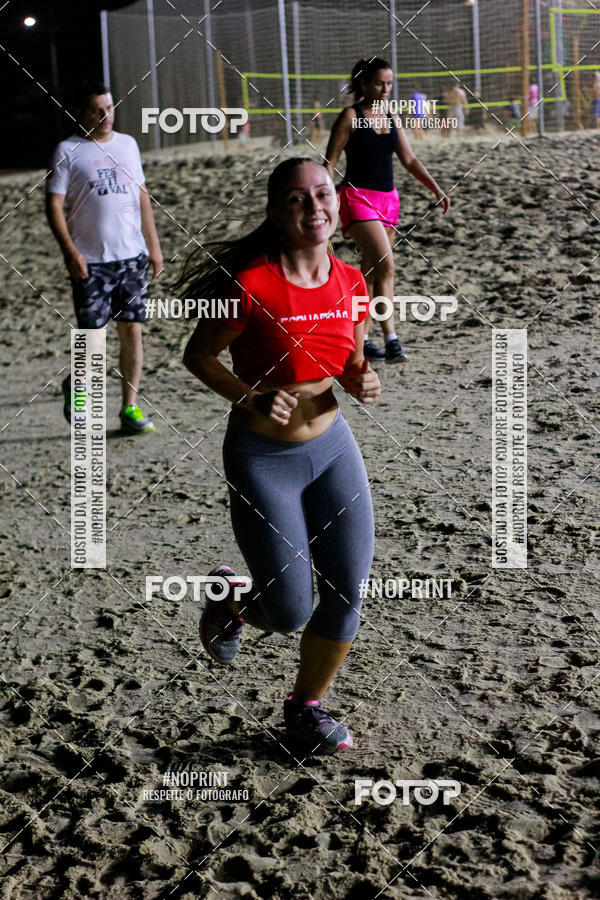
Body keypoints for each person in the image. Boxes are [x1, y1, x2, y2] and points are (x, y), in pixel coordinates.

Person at [180, 157, 381, 754]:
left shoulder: (353, 282)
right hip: (263, 459)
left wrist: (361, 380)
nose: (313, 206)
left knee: (347, 593)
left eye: (322, 194)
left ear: (337, 204)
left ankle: (304, 710)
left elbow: (350, 361)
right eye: (297, 198)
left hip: (333, 448)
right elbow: (198, 356)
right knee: (289, 611)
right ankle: (231, 601)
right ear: (275, 211)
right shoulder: (251, 285)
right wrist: (252, 395)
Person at [46, 80, 162, 433]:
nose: (105, 116)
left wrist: (153, 246)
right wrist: (70, 251)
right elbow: (54, 205)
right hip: (90, 262)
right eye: (96, 111)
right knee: (92, 338)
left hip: (131, 258)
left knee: (132, 332)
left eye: (109, 108)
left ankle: (130, 408)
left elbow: (141, 197)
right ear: (81, 113)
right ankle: (76, 390)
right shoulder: (68, 150)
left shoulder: (128, 145)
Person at [324, 58, 450, 362]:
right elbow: (330, 163)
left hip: (388, 199)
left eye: (389, 83)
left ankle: (363, 339)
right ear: (364, 84)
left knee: (371, 271)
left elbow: (409, 159)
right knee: (387, 265)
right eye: (380, 83)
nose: (385, 89)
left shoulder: (392, 114)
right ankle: (392, 339)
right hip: (357, 198)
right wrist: (325, 200)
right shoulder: (350, 116)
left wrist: (436, 188)